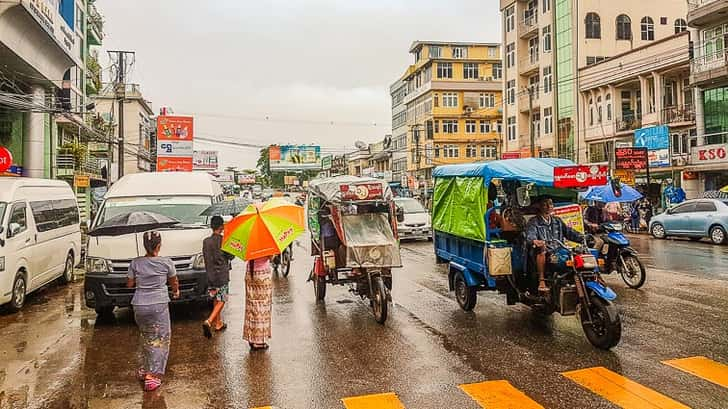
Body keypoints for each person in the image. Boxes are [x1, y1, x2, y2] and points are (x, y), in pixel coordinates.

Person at [127, 231, 179, 391]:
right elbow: (174, 281)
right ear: (158, 245)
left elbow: (129, 284)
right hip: (159, 305)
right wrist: (176, 292)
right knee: (160, 339)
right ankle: (153, 376)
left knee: (146, 337)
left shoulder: (135, 263)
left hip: (139, 305)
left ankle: (145, 369)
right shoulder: (166, 263)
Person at [525, 197, 585, 295]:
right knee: (542, 250)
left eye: (551, 204)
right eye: (545, 204)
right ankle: (542, 280)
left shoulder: (557, 221)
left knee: (579, 255)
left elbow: (569, 232)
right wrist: (536, 241)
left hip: (560, 250)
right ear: (539, 207)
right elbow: (530, 236)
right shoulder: (534, 222)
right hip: (546, 252)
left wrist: (583, 238)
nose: (549, 206)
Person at [202, 216, 234, 339]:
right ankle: (209, 321)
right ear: (221, 227)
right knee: (222, 299)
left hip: (210, 275)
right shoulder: (224, 240)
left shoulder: (206, 241)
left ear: (211, 226)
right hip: (222, 276)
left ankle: (218, 323)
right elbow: (231, 256)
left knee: (216, 297)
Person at [244, 256, 273, 350]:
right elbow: (271, 258)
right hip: (263, 275)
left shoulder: (249, 243)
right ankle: (259, 341)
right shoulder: (266, 242)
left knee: (251, 306)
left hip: (250, 274)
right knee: (263, 308)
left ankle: (251, 338)